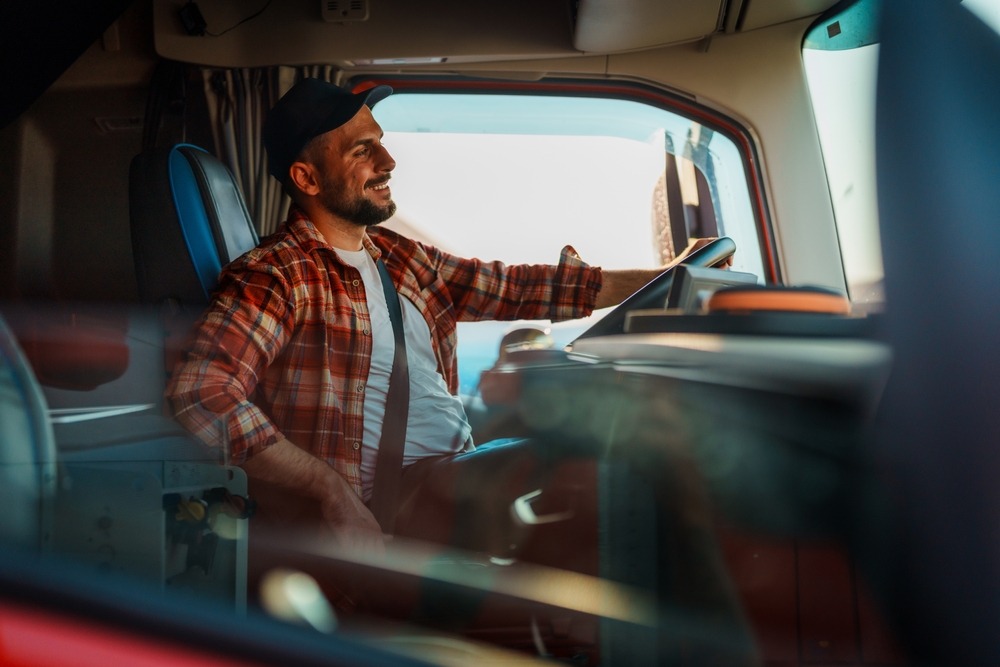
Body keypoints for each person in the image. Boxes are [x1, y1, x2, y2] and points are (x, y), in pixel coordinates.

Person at [166, 78, 728, 562]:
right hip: (395, 508)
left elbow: (526, 287)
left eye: (381, 147)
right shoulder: (277, 275)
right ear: (308, 180)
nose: (387, 164)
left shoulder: (399, 257)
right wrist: (331, 493)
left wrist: (673, 273)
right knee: (635, 458)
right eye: (362, 152)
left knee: (647, 446)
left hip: (453, 471)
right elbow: (203, 394)